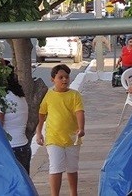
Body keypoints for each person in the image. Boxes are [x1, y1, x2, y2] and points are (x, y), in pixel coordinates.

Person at [36, 64, 85, 196]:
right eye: (60, 77)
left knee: (72, 168)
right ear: (53, 79)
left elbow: (79, 112)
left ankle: (73, 193)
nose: (64, 80)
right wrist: (38, 132)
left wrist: (81, 128)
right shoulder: (49, 95)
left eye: (67, 77)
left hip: (72, 138)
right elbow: (41, 114)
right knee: (55, 168)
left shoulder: (75, 95)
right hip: (53, 138)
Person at [0, 69, 31, 173]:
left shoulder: (2, 98)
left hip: (11, 148)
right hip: (23, 147)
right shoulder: (20, 96)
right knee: (24, 185)